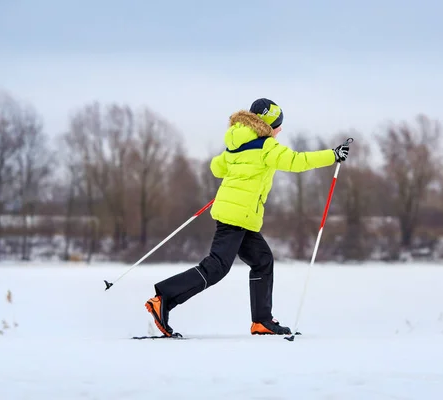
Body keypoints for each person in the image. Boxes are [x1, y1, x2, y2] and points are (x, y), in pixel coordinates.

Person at [145, 98, 350, 337]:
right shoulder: (266, 146)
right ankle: (164, 298)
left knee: (262, 260)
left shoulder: (236, 143)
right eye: (277, 125)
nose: (280, 129)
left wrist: (238, 168)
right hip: (237, 215)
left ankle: (262, 321)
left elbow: (216, 168)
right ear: (267, 125)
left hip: (239, 216)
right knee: (217, 267)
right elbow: (296, 161)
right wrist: (332, 155)